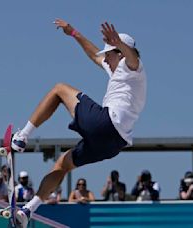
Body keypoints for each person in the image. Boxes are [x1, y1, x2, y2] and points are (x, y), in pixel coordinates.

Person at [10, 18, 147, 227]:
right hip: (113, 145)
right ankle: (29, 210)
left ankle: (22, 137)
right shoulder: (117, 69)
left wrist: (119, 43)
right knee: (62, 164)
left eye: (109, 55)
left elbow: (133, 56)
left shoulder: (133, 68)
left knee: (59, 89)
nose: (106, 60)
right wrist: (73, 32)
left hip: (106, 123)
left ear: (119, 53)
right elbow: (94, 55)